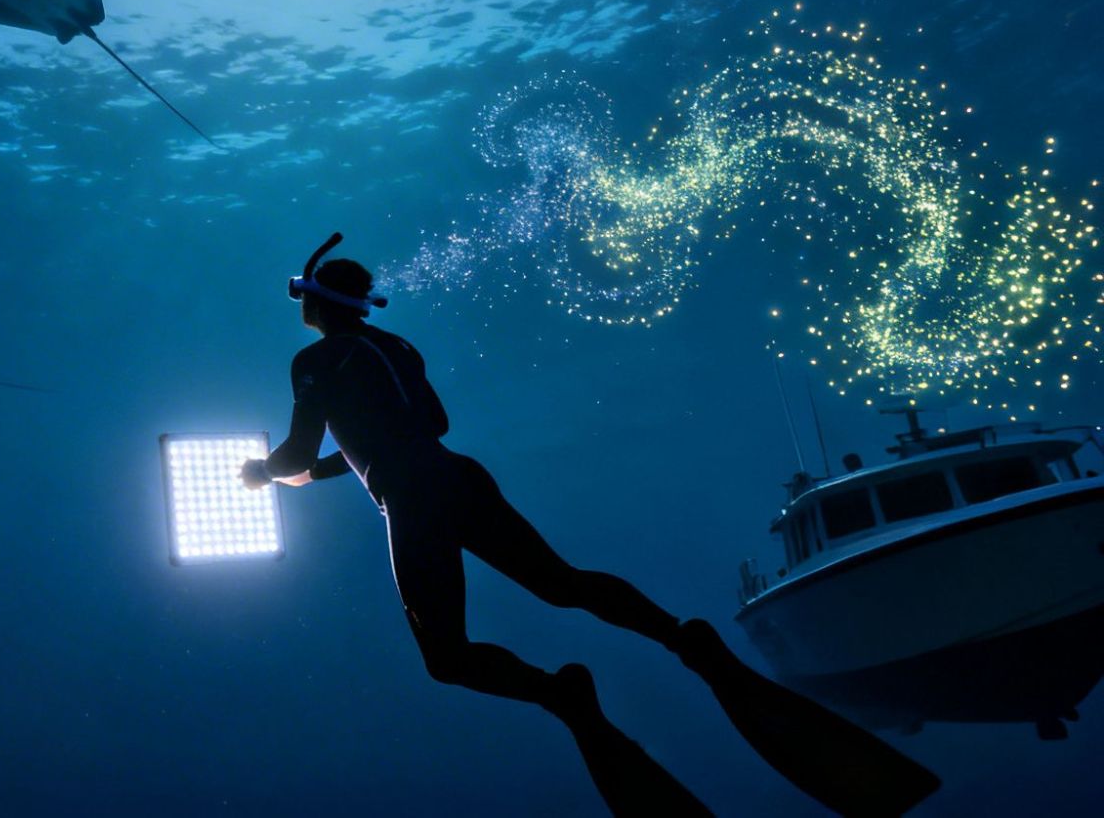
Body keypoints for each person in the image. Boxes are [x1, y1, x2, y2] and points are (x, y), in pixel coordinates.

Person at [241, 233, 939, 818]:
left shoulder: (314, 359)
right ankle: (682, 636)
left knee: (447, 658)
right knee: (563, 583)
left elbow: (303, 451)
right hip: (457, 475)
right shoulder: (397, 346)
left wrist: (264, 471)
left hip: (413, 498)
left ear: (313, 301)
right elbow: (429, 426)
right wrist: (336, 468)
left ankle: (561, 693)